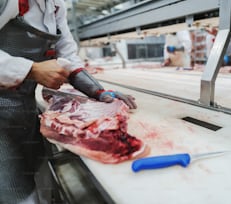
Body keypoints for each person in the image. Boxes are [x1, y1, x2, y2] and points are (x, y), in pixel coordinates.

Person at [0, 0, 136, 203]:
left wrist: (98, 92)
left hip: (24, 111)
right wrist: (31, 69)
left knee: (39, 175)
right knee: (15, 191)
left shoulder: (55, 5)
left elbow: (68, 56)